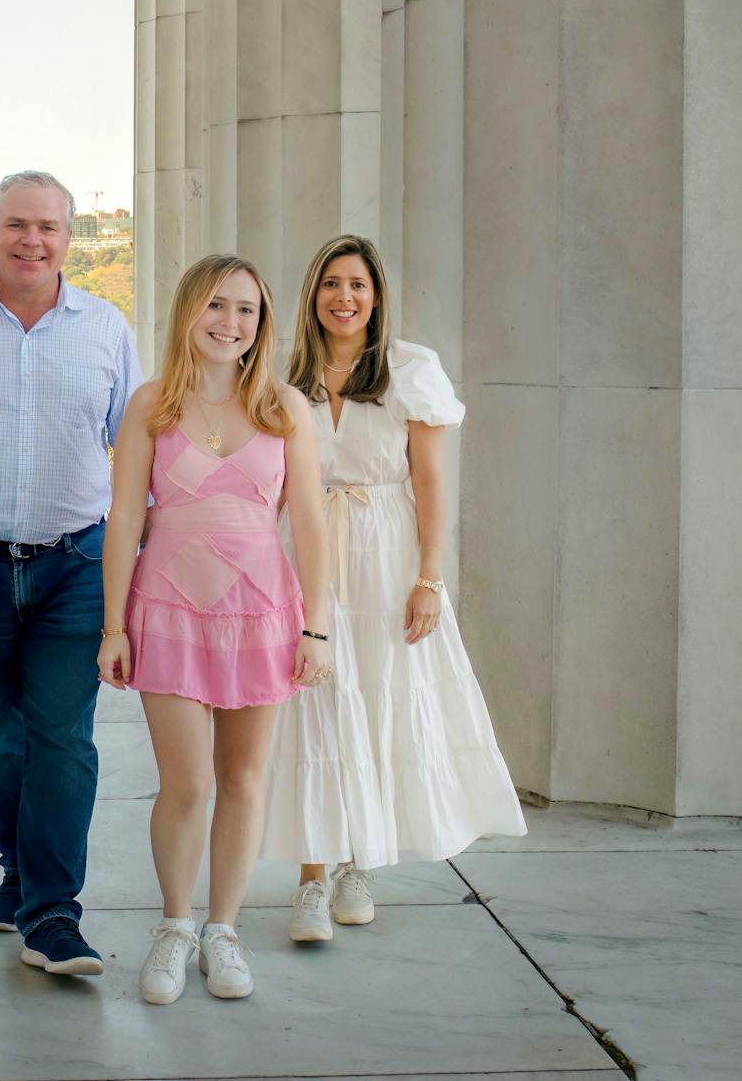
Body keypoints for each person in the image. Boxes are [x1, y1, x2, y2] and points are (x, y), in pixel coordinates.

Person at [261, 234, 526, 942]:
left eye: (357, 285)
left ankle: (357, 861)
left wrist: (429, 580)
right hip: (304, 549)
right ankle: (310, 880)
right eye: (330, 284)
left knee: (374, 700)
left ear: (375, 296)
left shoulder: (410, 368)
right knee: (313, 705)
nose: (343, 298)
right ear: (311, 294)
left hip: (385, 550)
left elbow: (432, 482)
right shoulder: (286, 371)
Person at [0, 170, 141, 977]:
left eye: (47, 227)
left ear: (68, 239)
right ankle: (17, 873)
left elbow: (136, 453)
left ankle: (51, 911)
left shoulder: (105, 327)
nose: (31, 240)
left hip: (75, 565)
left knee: (61, 737)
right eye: (16, 224)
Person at [99, 254, 333, 1003]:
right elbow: (125, 517)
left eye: (246, 310)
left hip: (262, 611)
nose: (230, 323)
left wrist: (317, 627)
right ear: (188, 311)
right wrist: (113, 625)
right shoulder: (150, 405)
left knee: (241, 777)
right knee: (187, 781)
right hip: (165, 610)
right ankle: (174, 927)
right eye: (217, 305)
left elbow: (309, 522)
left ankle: (222, 931)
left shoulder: (284, 407)